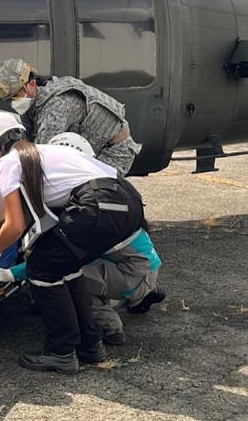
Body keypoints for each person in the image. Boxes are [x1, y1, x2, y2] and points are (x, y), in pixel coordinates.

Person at [0, 111, 149, 374]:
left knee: (42, 267)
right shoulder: (42, 153)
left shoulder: (9, 162)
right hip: (128, 201)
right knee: (65, 266)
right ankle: (91, 345)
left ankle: (61, 351)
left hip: (98, 204)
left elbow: (15, 224)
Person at [42, 132, 165, 344]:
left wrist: (9, 273)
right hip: (142, 264)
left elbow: (58, 257)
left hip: (135, 272)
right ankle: (139, 294)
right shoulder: (110, 187)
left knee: (68, 272)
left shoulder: (91, 209)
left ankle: (109, 327)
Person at [0, 58, 141, 174]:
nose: (14, 102)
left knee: (86, 197)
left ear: (32, 84)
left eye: (17, 95)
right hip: (92, 153)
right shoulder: (34, 104)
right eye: (9, 100)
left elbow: (40, 157)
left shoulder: (57, 106)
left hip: (113, 152)